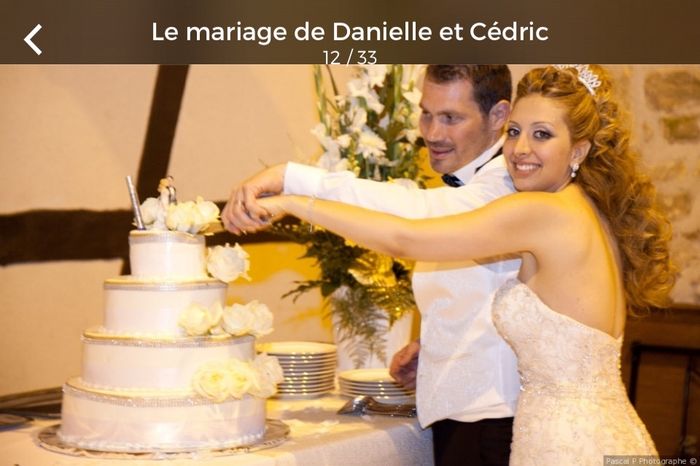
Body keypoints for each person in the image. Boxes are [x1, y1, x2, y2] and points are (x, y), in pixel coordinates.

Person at [235, 65, 676, 465]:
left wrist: (296, 201)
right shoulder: (591, 210)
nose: (520, 149)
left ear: (578, 151)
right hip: (600, 431)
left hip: (561, 442)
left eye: (542, 134)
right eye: (515, 132)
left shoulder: (541, 211)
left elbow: (406, 236)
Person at [223, 65, 519, 466]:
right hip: (463, 412)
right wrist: (435, 349)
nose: (432, 133)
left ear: (498, 115)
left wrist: (292, 183)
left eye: (451, 118)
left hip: (493, 418)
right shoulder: (469, 182)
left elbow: (411, 221)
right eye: (426, 114)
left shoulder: (505, 184)